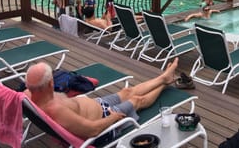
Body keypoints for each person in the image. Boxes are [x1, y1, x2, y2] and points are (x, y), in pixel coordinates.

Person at [24, 59, 178, 140]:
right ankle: (164, 84)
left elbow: (5, 95)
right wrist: (113, 118)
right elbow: (93, 130)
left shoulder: (28, 94)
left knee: (127, 91)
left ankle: (164, 78)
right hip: (105, 121)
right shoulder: (56, 110)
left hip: (98, 105)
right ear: (51, 83)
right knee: (137, 100)